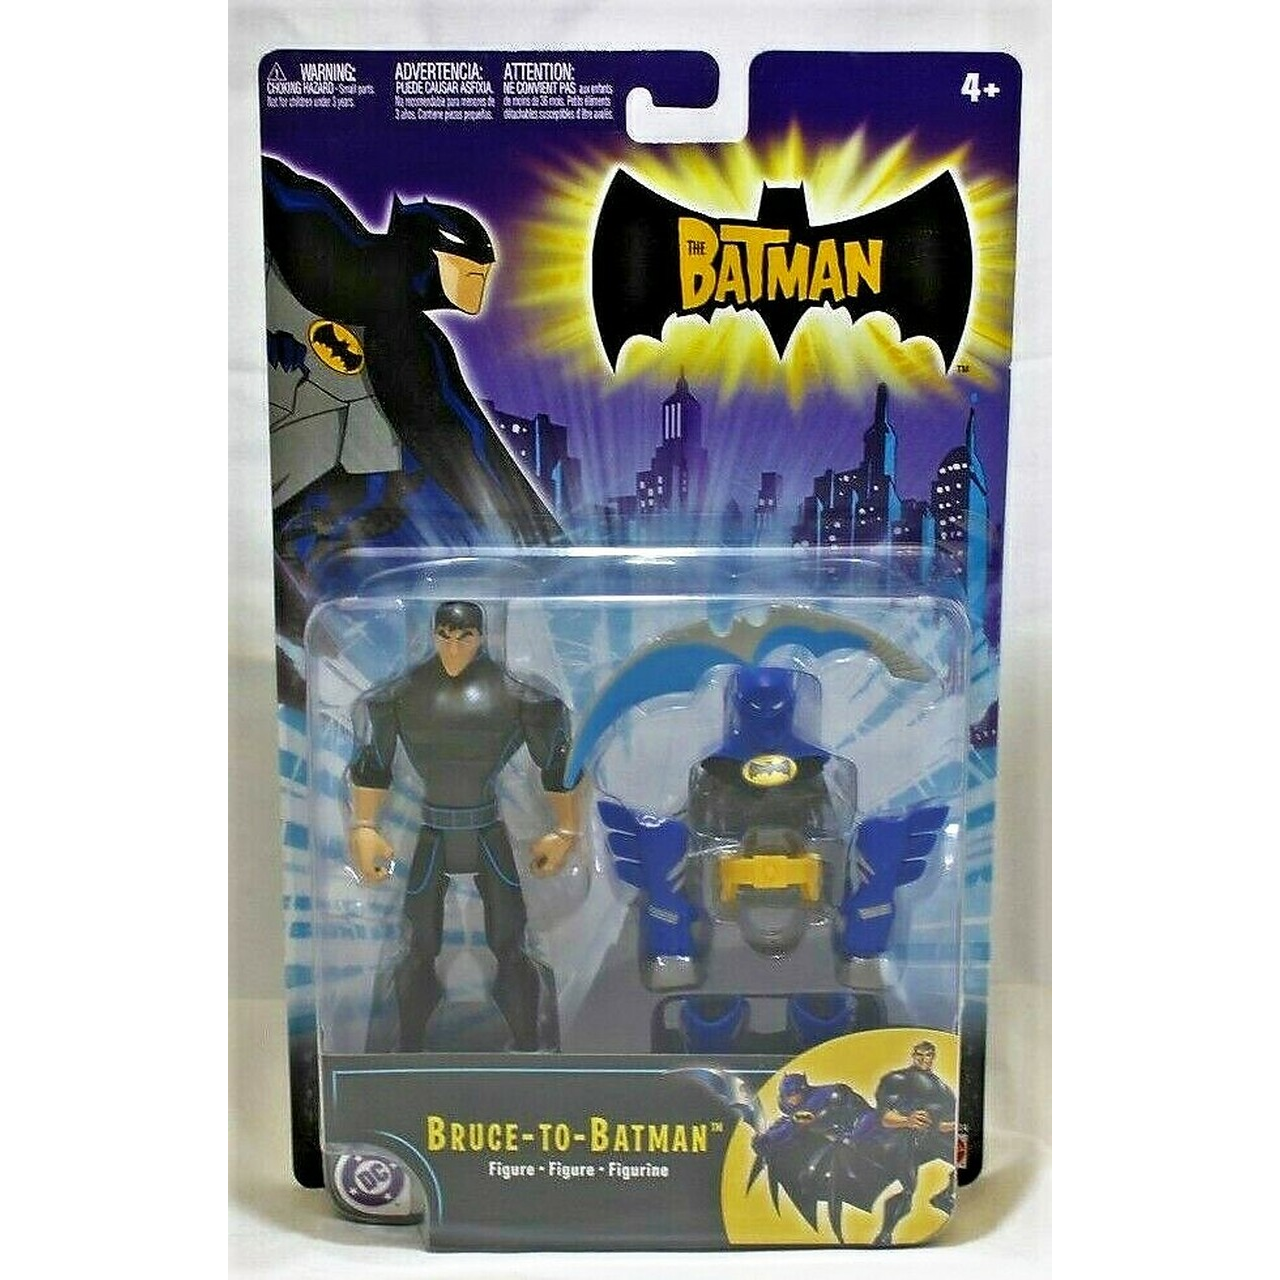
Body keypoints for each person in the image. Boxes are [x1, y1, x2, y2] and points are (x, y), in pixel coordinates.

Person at [346, 600, 579, 1051]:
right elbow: (373, 762)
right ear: (433, 634)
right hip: (434, 831)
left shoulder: (516, 696)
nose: (453, 648)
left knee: (509, 943)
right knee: (418, 946)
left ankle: (528, 1045)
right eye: (445, 637)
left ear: (481, 636)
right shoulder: (400, 695)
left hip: (486, 830)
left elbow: (557, 761)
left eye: (465, 637)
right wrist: (364, 826)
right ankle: (408, 1047)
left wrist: (567, 829)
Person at [871, 1040, 958, 1244]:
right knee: (908, 1191)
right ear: (913, 1055)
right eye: (919, 1054)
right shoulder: (898, 1079)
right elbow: (884, 1117)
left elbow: (944, 1120)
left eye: (928, 1055)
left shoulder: (941, 1086)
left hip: (933, 1139)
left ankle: (944, 1197)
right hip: (905, 1140)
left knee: (963, 1160)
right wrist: (907, 1121)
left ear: (933, 1057)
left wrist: (951, 1126)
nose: (924, 1059)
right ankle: (884, 1236)